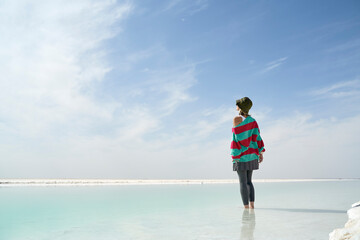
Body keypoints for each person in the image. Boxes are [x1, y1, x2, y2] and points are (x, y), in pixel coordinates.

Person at [231, 97, 265, 209]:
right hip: (252, 155)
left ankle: (245, 209)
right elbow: (257, 137)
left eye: (237, 105)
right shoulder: (253, 121)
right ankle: (252, 206)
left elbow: (237, 138)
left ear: (240, 107)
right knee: (249, 181)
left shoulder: (237, 119)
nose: (236, 106)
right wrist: (260, 153)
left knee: (242, 182)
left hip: (241, 156)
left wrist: (235, 154)